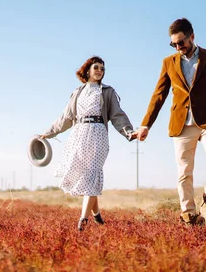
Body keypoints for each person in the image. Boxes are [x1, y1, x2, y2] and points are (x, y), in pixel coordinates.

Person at [134, 18, 206, 226]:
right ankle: (188, 215)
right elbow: (159, 94)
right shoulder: (168, 63)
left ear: (192, 37)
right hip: (181, 123)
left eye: (181, 42)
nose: (178, 47)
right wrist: (146, 124)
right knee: (184, 172)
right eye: (174, 44)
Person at [40, 56, 136, 231]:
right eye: (96, 67)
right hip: (79, 135)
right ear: (88, 71)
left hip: (98, 134)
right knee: (85, 174)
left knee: (93, 173)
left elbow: (117, 115)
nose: (100, 71)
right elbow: (66, 118)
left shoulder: (107, 91)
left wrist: (129, 132)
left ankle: (82, 221)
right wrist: (49, 132)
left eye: (102, 68)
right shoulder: (78, 92)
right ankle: (96, 213)